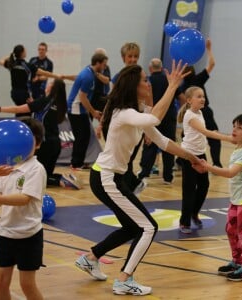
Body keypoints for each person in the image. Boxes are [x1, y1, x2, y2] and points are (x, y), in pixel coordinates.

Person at [75, 61, 204, 296]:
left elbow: (162, 140)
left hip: (113, 177)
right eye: (145, 80)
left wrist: (191, 157)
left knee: (132, 227)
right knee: (148, 227)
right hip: (106, 178)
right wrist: (173, 86)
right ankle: (124, 279)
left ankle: (90, 258)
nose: (148, 83)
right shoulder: (125, 113)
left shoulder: (138, 111)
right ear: (134, 86)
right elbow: (155, 119)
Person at [0, 118, 46, 299]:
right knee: (0, 281)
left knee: (27, 284)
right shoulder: (8, 166)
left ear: (36, 144)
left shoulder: (36, 169)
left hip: (28, 235)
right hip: (6, 232)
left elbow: (24, 199)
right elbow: (3, 195)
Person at [201, 114, 242, 281]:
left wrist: (208, 167)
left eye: (239, 128)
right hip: (236, 199)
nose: (234, 130)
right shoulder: (238, 146)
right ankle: (236, 261)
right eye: (234, 126)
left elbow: (230, 173)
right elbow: (222, 136)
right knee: (230, 230)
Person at [0, 78, 81, 189]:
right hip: (55, 144)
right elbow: (46, 114)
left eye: (48, 83)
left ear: (51, 87)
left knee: (38, 177)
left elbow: (18, 109)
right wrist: (34, 105)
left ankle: (61, 181)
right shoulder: (59, 103)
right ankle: (62, 178)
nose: (46, 85)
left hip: (45, 144)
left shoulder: (44, 101)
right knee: (45, 174)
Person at [177, 86, 232, 234]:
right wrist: (227, 138)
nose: (203, 99)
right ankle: (184, 221)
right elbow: (205, 132)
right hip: (188, 156)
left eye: (203, 96)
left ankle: (194, 212)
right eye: (199, 96)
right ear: (189, 100)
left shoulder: (200, 112)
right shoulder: (189, 115)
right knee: (189, 189)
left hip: (201, 154)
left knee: (204, 185)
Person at [111, 42, 151, 195]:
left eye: (136, 56)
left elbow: (149, 100)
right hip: (122, 123)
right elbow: (111, 100)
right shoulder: (118, 77)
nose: (133, 59)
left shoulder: (142, 76)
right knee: (121, 160)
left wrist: (148, 130)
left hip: (137, 123)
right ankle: (132, 186)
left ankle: (132, 187)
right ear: (123, 58)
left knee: (128, 159)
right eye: (130, 56)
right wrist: (102, 123)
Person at [138, 58, 186, 184]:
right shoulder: (168, 79)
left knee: (150, 143)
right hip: (169, 116)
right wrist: (178, 111)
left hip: (154, 115)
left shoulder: (148, 81)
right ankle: (168, 177)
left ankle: (144, 173)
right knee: (168, 144)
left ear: (150, 68)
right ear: (161, 67)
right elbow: (182, 98)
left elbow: (144, 100)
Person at [181, 38, 223, 167]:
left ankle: (181, 161)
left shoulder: (183, 86)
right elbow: (212, 64)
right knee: (213, 138)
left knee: (187, 137)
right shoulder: (198, 79)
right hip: (204, 112)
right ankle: (216, 163)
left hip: (193, 112)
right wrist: (209, 49)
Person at [67, 52, 107, 170]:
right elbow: (82, 97)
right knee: (82, 136)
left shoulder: (90, 73)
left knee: (85, 135)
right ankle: (76, 163)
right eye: (104, 65)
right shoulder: (88, 76)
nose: (105, 67)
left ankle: (77, 162)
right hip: (75, 109)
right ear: (98, 63)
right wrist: (93, 112)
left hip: (80, 109)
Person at [0, 44, 62, 118]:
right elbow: (44, 73)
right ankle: (26, 127)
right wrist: (57, 76)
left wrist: (11, 54)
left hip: (14, 93)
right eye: (25, 50)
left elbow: (0, 61)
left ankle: (19, 124)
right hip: (24, 94)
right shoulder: (28, 65)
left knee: (19, 110)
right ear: (22, 53)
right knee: (26, 112)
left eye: (43, 49)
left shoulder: (12, 64)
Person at [91, 48, 111, 114]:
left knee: (104, 118)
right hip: (92, 96)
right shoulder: (90, 68)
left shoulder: (106, 67)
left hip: (102, 97)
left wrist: (96, 73)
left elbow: (106, 80)